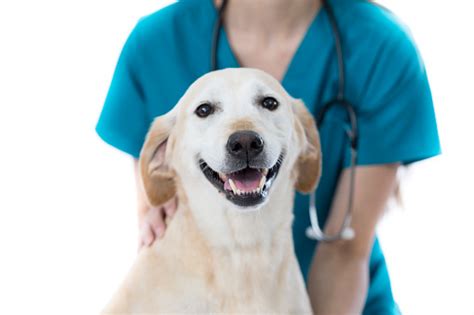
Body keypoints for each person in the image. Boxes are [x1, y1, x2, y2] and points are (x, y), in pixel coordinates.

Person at [96, 0, 440, 313]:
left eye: (268, 104)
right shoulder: (155, 44)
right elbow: (156, 214)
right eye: (205, 110)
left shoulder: (381, 47)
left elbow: (346, 251)